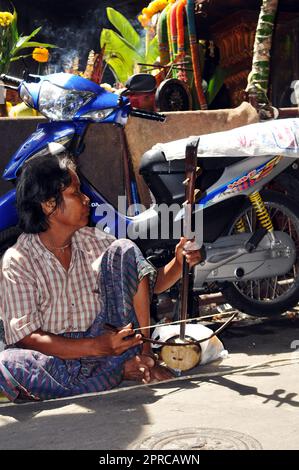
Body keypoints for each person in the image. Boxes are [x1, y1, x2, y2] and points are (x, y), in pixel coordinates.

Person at [0, 154, 201, 402]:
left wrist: (179, 261)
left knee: (125, 249)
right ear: (49, 204)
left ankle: (136, 363)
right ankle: (116, 373)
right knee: (9, 363)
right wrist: (98, 346)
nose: (86, 199)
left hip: (110, 347)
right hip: (61, 358)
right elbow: (28, 338)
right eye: (76, 193)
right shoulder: (18, 260)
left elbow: (146, 284)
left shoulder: (94, 241)